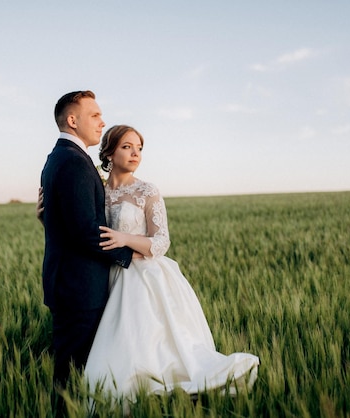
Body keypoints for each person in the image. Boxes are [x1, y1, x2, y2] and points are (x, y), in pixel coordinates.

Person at [40, 124, 260, 403]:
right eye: (127, 147)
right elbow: (81, 229)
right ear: (108, 152)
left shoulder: (147, 191)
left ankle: (158, 392)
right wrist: (47, 217)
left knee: (149, 342)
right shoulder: (97, 190)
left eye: (139, 148)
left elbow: (160, 242)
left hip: (144, 276)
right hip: (108, 274)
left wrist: (125, 238)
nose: (135, 154)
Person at [39, 91, 135, 410]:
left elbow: (66, 223)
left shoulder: (61, 158)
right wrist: (128, 255)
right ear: (72, 120)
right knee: (71, 379)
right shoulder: (74, 162)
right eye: (94, 115)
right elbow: (84, 230)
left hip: (71, 283)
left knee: (75, 375)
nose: (102, 121)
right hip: (79, 288)